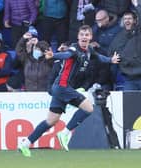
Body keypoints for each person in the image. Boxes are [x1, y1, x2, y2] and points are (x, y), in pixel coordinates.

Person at [18, 25, 120, 157]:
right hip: (62, 86)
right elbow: (66, 54)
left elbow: (99, 57)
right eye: (82, 34)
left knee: (51, 121)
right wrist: (54, 55)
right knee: (89, 108)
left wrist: (110, 60)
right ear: (78, 37)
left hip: (60, 88)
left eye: (86, 35)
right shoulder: (74, 48)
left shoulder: (89, 50)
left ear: (90, 37)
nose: (84, 37)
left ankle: (25, 143)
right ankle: (65, 133)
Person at [108, 0, 141, 90]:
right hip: (129, 79)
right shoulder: (119, 36)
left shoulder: (139, 32)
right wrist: (116, 59)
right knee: (129, 103)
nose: (127, 20)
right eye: (125, 19)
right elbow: (111, 53)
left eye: (129, 18)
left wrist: (137, 6)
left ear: (135, 21)